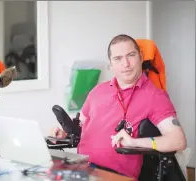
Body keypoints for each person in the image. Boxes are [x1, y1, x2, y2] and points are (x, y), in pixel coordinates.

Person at [50, 34, 187, 180]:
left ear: (140, 56)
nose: (126, 64)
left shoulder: (154, 96)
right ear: (111, 63)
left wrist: (135, 143)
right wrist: (64, 134)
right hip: (82, 168)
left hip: (116, 175)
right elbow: (80, 127)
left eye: (131, 55)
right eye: (118, 58)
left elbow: (178, 140)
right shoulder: (97, 91)